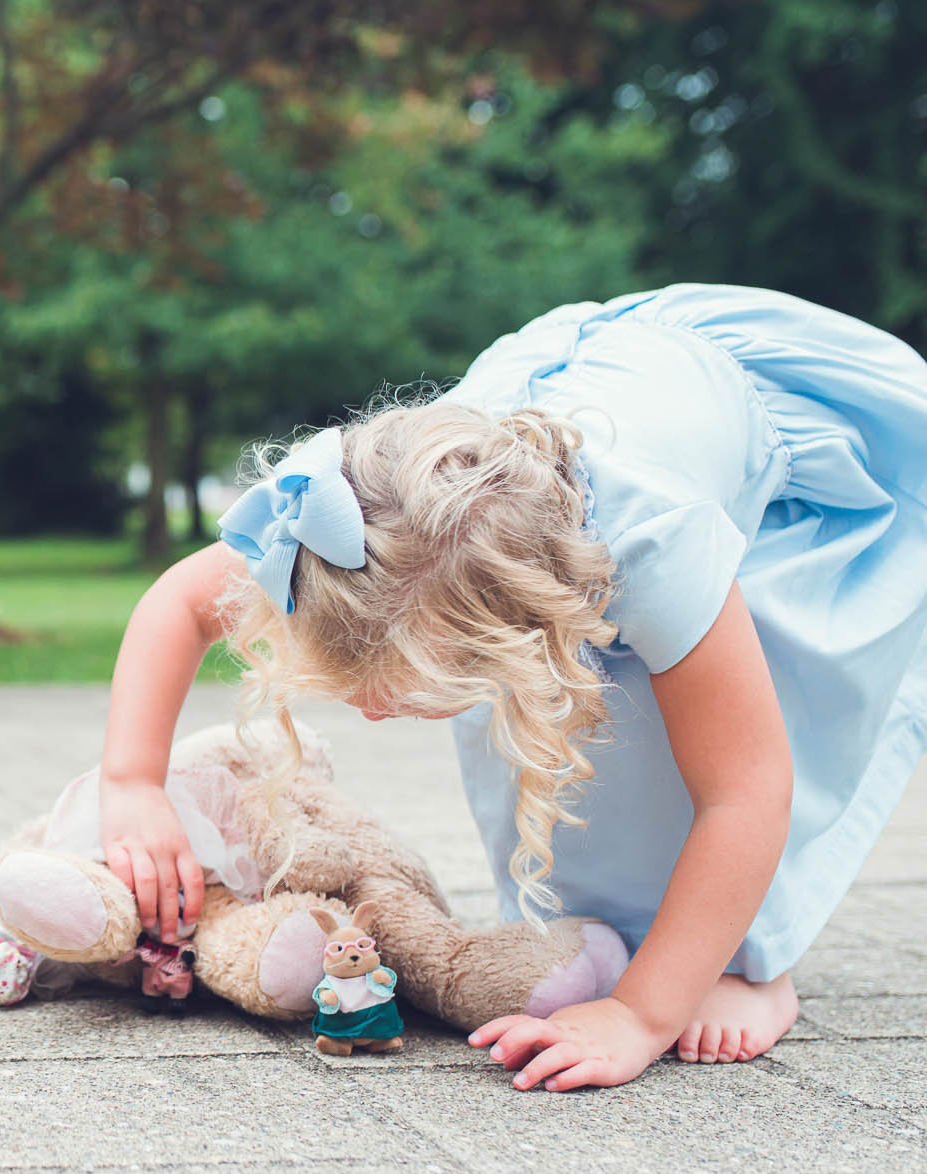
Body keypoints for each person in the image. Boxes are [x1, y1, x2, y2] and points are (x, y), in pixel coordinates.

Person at [99, 284, 927, 1091]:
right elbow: (179, 600)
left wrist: (639, 1016)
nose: (373, 711)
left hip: (796, 437)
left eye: (399, 689)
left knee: (719, 730)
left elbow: (747, 791)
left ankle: (753, 964)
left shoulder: (657, 544)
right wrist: (132, 781)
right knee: (562, 755)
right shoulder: (363, 529)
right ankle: (644, 945)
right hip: (573, 375)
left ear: (514, 631)